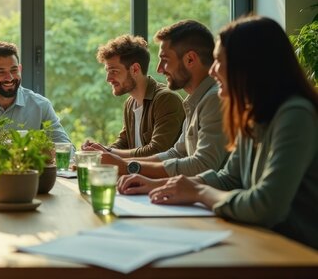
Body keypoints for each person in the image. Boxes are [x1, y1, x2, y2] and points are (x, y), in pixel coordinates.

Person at [119, 16, 318, 249]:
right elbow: (229, 178)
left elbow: (265, 205)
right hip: (263, 244)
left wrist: (200, 192)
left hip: (298, 255)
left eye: (219, 60)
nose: (212, 71)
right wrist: (165, 185)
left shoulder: (295, 115)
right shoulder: (254, 116)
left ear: (248, 64)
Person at [92, 20, 228, 177]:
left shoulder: (214, 99)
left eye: (165, 59)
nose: (159, 68)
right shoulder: (195, 101)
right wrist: (109, 157)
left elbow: (202, 165)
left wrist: (128, 167)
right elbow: (176, 153)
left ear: (190, 59)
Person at [83, 34, 184, 157]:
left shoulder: (166, 99)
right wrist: (97, 151)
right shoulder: (130, 103)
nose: (108, 79)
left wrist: (107, 152)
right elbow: (123, 143)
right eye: (108, 72)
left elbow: (157, 151)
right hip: (135, 176)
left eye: (113, 71)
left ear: (135, 69)